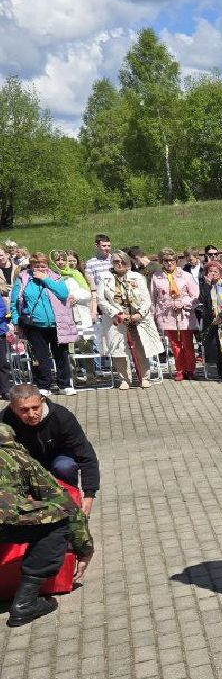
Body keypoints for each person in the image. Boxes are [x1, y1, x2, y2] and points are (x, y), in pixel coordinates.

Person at [0, 424, 93, 627]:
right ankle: (25, 603)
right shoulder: (19, 458)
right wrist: (85, 550)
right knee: (57, 520)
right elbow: (65, 504)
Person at [3, 384, 100, 515]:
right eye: (24, 410)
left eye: (35, 407)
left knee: (65, 466)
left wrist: (89, 496)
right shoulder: (3, 422)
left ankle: (72, 505)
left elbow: (86, 456)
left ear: (42, 401)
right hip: (26, 464)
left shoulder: (61, 417)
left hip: (59, 459)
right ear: (12, 408)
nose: (31, 414)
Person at [96, 253, 164, 389]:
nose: (119, 264)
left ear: (128, 262)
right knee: (119, 350)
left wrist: (140, 313)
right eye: (116, 261)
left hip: (137, 319)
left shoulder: (137, 277)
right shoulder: (104, 278)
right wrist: (116, 313)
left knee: (141, 348)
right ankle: (124, 379)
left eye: (122, 261)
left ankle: (144, 377)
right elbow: (101, 299)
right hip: (116, 319)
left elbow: (146, 299)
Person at [12, 251, 74, 396]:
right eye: (36, 265)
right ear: (31, 265)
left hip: (57, 323)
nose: (40, 268)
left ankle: (64, 384)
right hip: (35, 325)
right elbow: (15, 303)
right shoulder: (23, 278)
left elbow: (63, 294)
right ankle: (43, 385)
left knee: (61, 355)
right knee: (40, 357)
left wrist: (46, 279)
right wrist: (16, 322)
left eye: (43, 265)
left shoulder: (54, 276)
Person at [151, 249, 200, 381]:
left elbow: (195, 295)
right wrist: (154, 316)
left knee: (187, 343)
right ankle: (180, 369)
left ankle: (190, 369)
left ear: (176, 261)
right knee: (174, 344)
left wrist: (183, 303)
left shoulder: (185, 275)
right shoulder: (156, 276)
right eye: (166, 261)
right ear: (162, 262)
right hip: (167, 315)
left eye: (172, 260)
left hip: (184, 315)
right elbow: (153, 298)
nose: (169, 263)